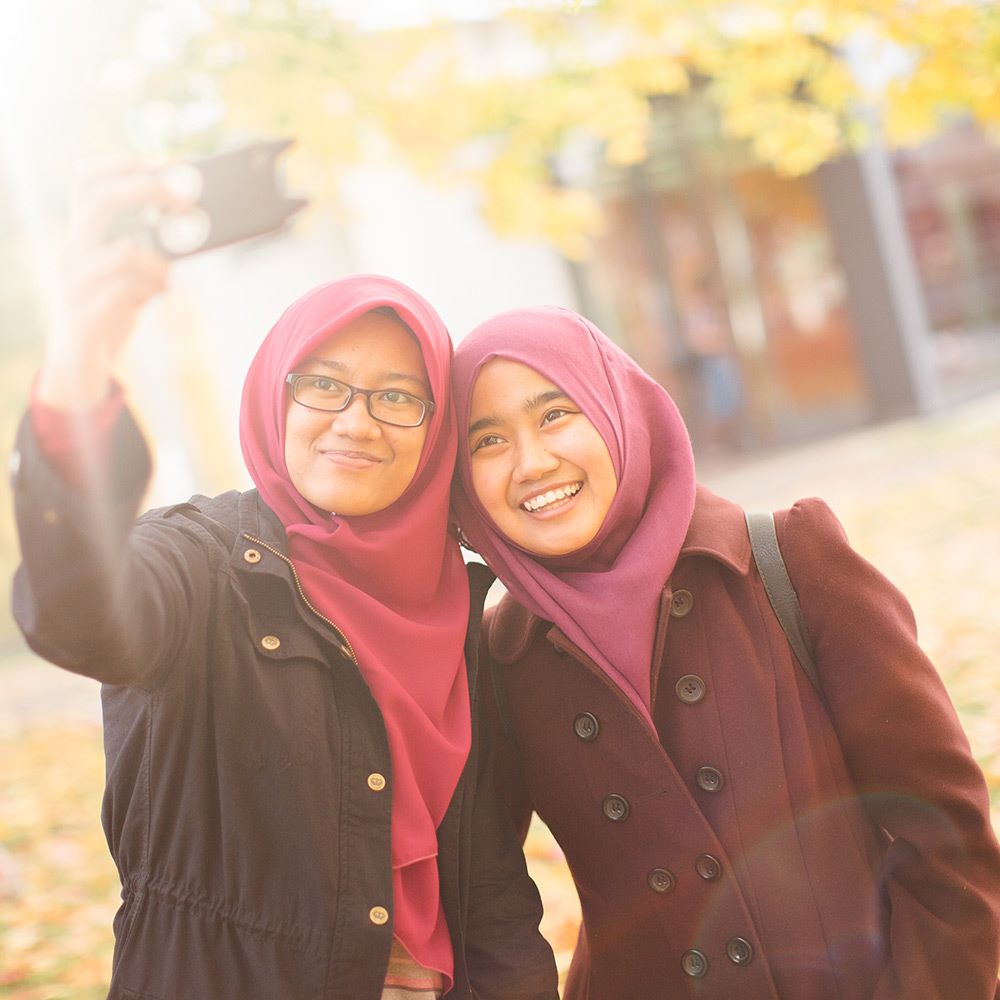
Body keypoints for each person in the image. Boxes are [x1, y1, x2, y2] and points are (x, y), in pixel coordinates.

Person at [10, 170, 557, 1000]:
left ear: (436, 429)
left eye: (399, 397)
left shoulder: (470, 619)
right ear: (277, 395)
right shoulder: (204, 564)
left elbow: (493, 896)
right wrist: (79, 361)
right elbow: (82, 618)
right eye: (324, 384)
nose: (356, 419)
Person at [449, 305, 1000, 999]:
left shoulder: (791, 560)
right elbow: (483, 900)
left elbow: (947, 837)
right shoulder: (500, 657)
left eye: (555, 415)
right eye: (488, 441)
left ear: (618, 410)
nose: (531, 462)